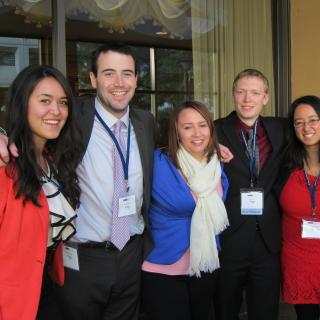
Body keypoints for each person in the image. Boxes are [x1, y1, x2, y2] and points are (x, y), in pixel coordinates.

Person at [0, 65, 82, 320]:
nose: (56, 111)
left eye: (63, 103)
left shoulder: (51, 160)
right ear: (21, 104)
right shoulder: (4, 165)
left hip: (47, 289)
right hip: (12, 301)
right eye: (44, 101)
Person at [141, 100, 229, 320]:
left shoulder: (217, 164)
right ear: (176, 132)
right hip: (163, 268)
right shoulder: (157, 163)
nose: (197, 133)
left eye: (202, 125)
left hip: (205, 265)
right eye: (187, 127)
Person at [214, 68, 287, 320]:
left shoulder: (281, 129)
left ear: (265, 98)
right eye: (241, 92)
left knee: (266, 311)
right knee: (225, 308)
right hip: (228, 236)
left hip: (267, 239)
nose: (247, 99)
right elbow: (179, 144)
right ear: (233, 95)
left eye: (255, 93)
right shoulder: (213, 131)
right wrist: (211, 147)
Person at [275, 95, 320, 320]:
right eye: (299, 122)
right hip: (298, 263)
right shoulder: (284, 164)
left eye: (313, 120)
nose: (306, 127)